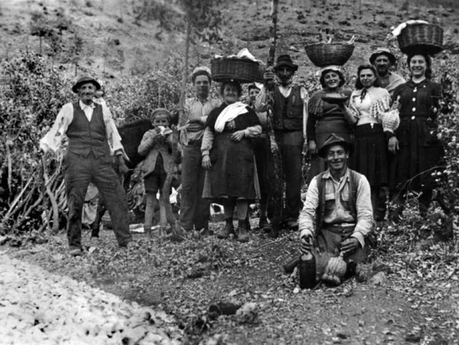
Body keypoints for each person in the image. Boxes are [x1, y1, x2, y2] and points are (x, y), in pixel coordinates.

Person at [40, 76, 131, 256]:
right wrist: (44, 147)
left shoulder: (103, 109)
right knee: (76, 201)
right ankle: (74, 244)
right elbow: (57, 130)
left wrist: (118, 152)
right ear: (78, 91)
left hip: (101, 160)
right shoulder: (68, 109)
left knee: (117, 197)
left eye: (91, 88)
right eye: (84, 88)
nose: (87, 91)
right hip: (77, 161)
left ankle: (125, 241)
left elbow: (112, 132)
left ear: (95, 91)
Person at [299, 134, 374, 283]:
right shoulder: (317, 182)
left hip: (351, 235)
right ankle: (328, 265)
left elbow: (366, 216)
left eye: (339, 152)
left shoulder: (360, 180)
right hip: (327, 236)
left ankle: (341, 266)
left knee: (359, 267)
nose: (336, 157)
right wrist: (306, 232)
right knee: (316, 267)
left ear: (346, 155)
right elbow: (307, 212)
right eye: (331, 154)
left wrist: (357, 238)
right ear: (326, 158)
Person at [201, 80, 262, 242]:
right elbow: (208, 133)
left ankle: (242, 226)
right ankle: (228, 225)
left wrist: (244, 132)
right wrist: (205, 153)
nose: (230, 92)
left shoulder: (246, 110)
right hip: (221, 157)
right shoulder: (216, 113)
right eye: (227, 89)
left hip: (242, 157)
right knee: (226, 192)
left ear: (239, 93)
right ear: (222, 92)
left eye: (234, 90)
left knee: (242, 192)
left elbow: (258, 129)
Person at [389, 52, 447, 218]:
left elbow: (444, 111)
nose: (417, 65)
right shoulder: (401, 88)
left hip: (427, 137)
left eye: (420, 62)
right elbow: (393, 114)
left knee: (427, 174)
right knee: (401, 173)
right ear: (408, 65)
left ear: (426, 65)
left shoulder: (435, 87)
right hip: (404, 136)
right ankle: (395, 217)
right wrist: (392, 135)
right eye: (413, 62)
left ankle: (425, 216)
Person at [255, 54, 308, 231]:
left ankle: (292, 216)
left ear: (292, 72)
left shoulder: (301, 91)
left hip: (295, 136)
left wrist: (306, 139)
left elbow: (306, 116)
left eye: (288, 70)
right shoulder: (270, 89)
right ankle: (274, 216)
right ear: (276, 72)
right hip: (274, 137)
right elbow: (259, 107)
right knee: (273, 177)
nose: (285, 73)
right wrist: (265, 85)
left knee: (294, 177)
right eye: (281, 70)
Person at [347, 64, 397, 220]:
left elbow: (388, 116)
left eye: (369, 75)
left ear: (375, 77)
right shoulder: (354, 94)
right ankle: (360, 214)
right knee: (361, 175)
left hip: (376, 134)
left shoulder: (382, 93)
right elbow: (352, 118)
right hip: (360, 135)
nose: (365, 78)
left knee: (374, 177)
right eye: (362, 76)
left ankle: (373, 214)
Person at [179, 66, 220, 235]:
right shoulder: (187, 103)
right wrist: (203, 121)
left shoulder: (215, 103)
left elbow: (215, 122)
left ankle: (202, 226)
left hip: (209, 148)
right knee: (188, 186)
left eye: (205, 82)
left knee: (205, 185)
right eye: (199, 83)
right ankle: (185, 225)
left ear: (210, 85)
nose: (202, 85)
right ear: (193, 85)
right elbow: (184, 124)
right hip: (190, 147)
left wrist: (199, 121)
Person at [307, 66, 354, 182]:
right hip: (322, 135)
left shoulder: (348, 93)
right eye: (327, 77)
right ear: (323, 80)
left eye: (334, 76)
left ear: (340, 78)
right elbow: (311, 121)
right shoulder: (317, 96)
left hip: (343, 133)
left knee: (342, 162)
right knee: (321, 165)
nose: (331, 79)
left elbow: (354, 116)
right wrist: (311, 140)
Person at [138, 108, 180, 235]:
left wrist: (169, 137)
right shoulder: (148, 134)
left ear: (167, 122)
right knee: (150, 201)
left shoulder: (171, 133)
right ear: (152, 123)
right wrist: (152, 138)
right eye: (157, 121)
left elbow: (178, 151)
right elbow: (140, 150)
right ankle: (147, 230)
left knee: (164, 200)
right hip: (150, 171)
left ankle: (163, 229)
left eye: (163, 121)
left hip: (166, 170)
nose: (160, 124)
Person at [247, 83, 271, 231]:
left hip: (263, 146)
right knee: (248, 181)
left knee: (264, 180)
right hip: (248, 147)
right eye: (252, 92)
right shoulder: (243, 109)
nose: (254, 94)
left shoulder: (266, 108)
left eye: (257, 92)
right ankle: (246, 220)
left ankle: (263, 216)